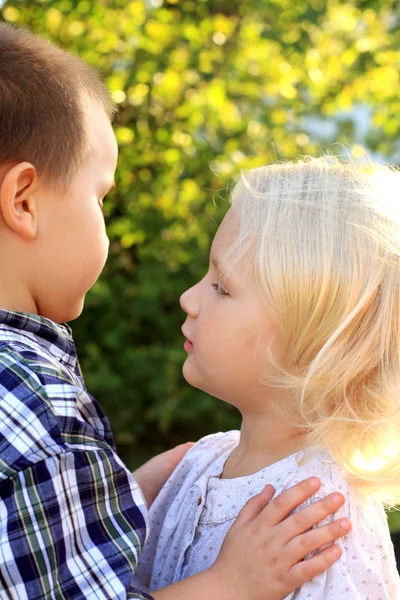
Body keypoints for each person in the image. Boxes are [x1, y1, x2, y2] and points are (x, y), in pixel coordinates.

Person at [0, 23, 350, 600]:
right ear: (23, 201)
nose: (188, 298)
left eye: (222, 286)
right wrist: (231, 583)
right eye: (100, 198)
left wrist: (113, 500)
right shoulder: (39, 406)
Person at [134, 156, 400, 598]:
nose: (188, 298)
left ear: (313, 343)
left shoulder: (318, 521)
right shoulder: (198, 462)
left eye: (222, 287)